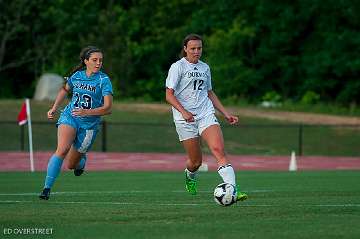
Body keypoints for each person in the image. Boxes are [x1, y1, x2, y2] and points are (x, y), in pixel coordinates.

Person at [165, 34, 248, 202]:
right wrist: (184, 112)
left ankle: (232, 190)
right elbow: (169, 95)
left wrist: (226, 114)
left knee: (218, 150)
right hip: (184, 119)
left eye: (199, 48)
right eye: (193, 48)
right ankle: (190, 176)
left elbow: (209, 93)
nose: (197, 51)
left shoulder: (205, 68)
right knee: (196, 162)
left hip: (205, 114)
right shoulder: (178, 67)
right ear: (185, 49)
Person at [39, 46, 113, 200]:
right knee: (62, 149)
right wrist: (54, 108)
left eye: (100, 60)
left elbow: (108, 108)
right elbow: (65, 90)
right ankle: (46, 189)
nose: (98, 63)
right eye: (94, 60)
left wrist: (87, 112)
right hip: (70, 116)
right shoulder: (77, 76)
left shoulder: (103, 80)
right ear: (86, 61)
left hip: (89, 126)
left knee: (71, 165)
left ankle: (81, 161)